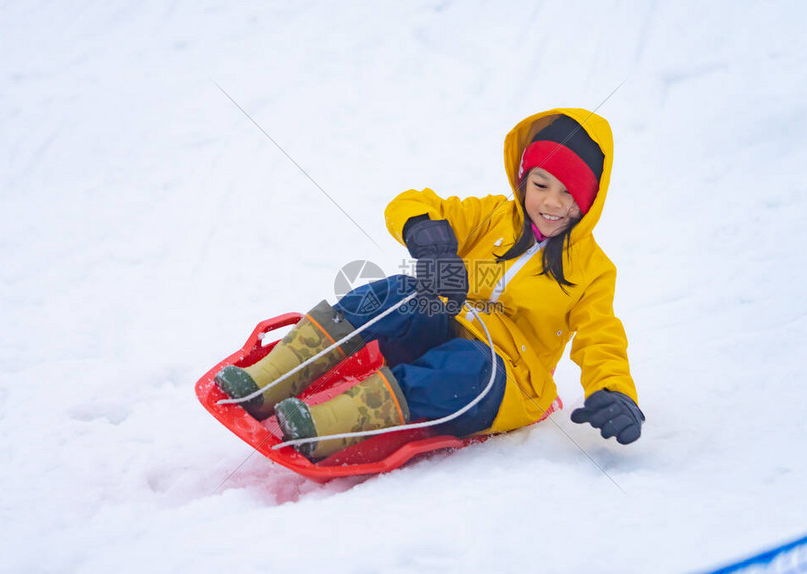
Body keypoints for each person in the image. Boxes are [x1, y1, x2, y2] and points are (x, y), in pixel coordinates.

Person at [215, 108, 644, 461]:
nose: (552, 202)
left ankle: (323, 427)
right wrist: (421, 228)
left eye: (569, 193)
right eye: (541, 184)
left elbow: (601, 337)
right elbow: (411, 201)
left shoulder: (592, 270)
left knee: (465, 364)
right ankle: (271, 379)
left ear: (589, 201)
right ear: (522, 180)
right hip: (444, 324)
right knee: (400, 291)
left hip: (501, 378)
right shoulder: (494, 215)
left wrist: (615, 392)